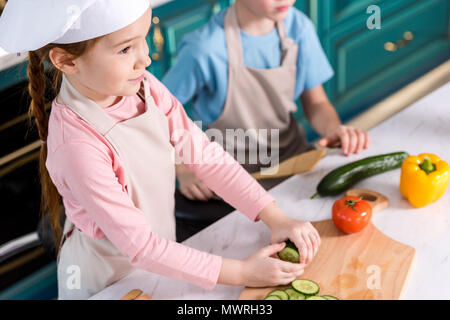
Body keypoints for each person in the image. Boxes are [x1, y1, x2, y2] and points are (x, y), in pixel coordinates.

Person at [0, 0, 320, 299]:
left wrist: (274, 216)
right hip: (110, 281)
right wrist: (242, 272)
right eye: (125, 49)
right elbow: (140, 246)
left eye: (144, 39)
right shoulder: (77, 145)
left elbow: (204, 156)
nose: (146, 58)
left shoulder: (145, 87)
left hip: (165, 258)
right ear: (66, 61)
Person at [163, 0, 370, 198]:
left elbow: (316, 102)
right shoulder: (204, 49)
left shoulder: (299, 28)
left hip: (294, 161)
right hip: (228, 178)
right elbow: (159, 115)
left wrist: (333, 129)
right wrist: (183, 168)